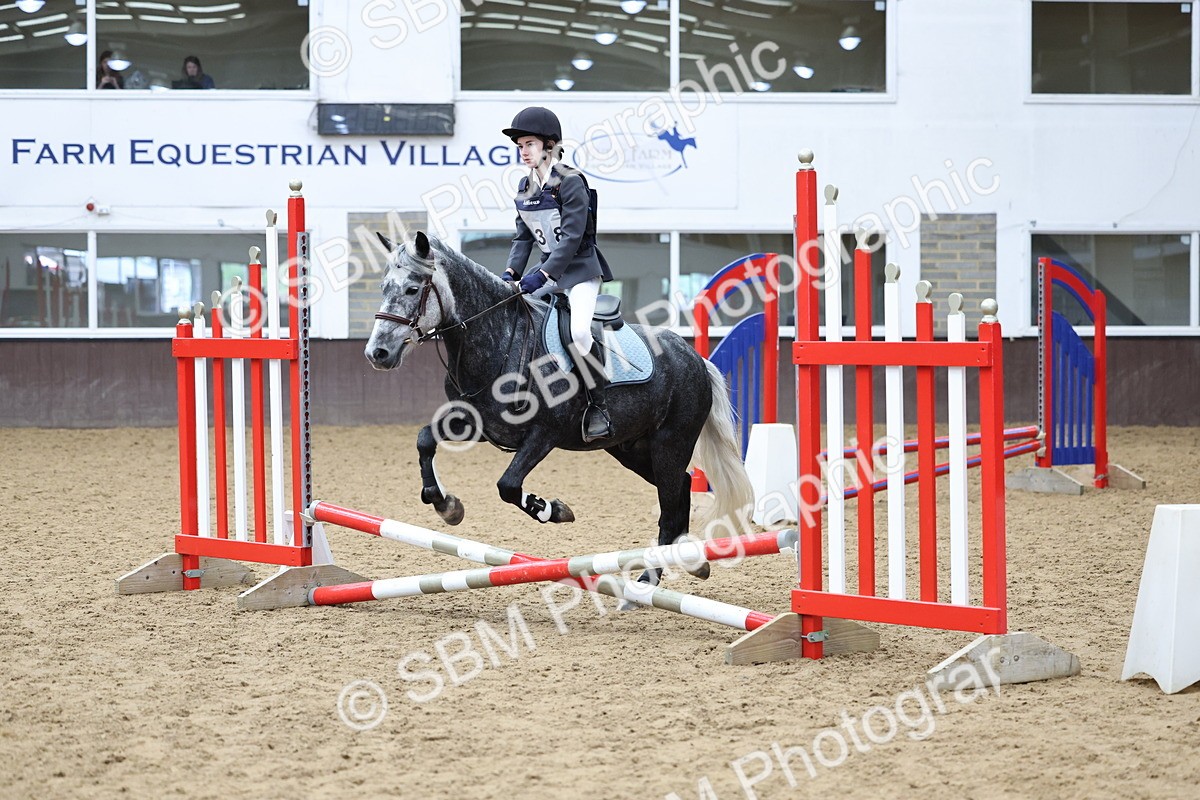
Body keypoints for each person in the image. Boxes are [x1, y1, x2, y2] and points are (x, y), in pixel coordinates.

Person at [502, 106, 615, 442]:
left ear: (549, 146)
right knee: (514, 317)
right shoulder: (526, 186)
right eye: (520, 145)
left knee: (579, 333)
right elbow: (522, 238)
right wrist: (511, 273)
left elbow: (572, 238)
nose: (523, 151)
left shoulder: (570, 181)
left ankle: (599, 405)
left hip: (579, 270)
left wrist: (544, 274)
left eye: (530, 144)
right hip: (546, 271)